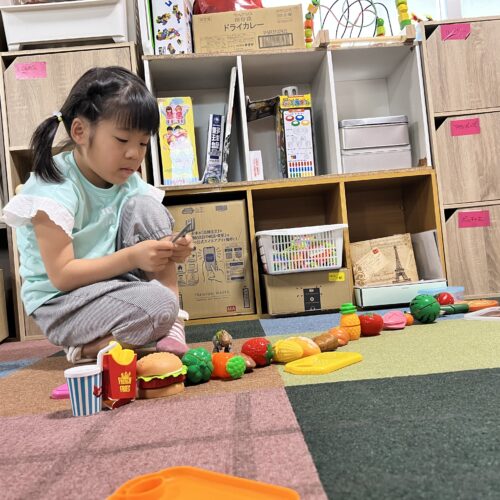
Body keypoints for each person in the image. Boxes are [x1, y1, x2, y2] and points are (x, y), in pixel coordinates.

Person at [2, 66, 194, 363]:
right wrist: (134, 257)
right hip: (64, 305)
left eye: (143, 143)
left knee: (147, 207)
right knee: (158, 304)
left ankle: (172, 325)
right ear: (80, 131)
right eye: (122, 140)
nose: (134, 153)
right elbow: (63, 276)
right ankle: (88, 347)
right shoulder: (54, 187)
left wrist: (170, 248)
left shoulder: (128, 182)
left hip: (113, 287)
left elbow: (148, 234)